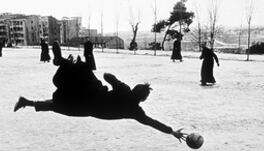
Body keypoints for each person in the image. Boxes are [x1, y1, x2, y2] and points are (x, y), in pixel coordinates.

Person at [13, 42, 186, 142]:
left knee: (82, 74)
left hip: (93, 94)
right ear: (143, 99)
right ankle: (72, 61)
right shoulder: (136, 111)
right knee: (59, 104)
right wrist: (171, 132)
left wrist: (117, 82)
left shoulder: (124, 90)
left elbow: (107, 75)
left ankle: (68, 61)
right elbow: (152, 122)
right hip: (89, 107)